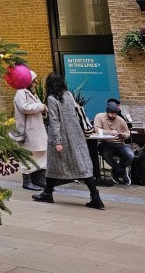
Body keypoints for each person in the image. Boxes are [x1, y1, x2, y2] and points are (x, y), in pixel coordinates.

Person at [32, 73, 105, 210]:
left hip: (61, 136)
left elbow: (54, 121)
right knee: (81, 164)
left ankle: (48, 193)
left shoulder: (51, 98)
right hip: (76, 135)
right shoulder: (69, 95)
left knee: (54, 164)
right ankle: (95, 197)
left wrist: (57, 141)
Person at [13, 71, 48, 191]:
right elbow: (24, 107)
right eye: (34, 81)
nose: (36, 83)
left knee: (41, 153)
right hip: (28, 130)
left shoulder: (32, 93)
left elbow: (36, 108)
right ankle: (27, 181)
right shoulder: (21, 92)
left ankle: (39, 179)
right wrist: (41, 107)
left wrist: (43, 111)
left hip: (38, 129)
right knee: (29, 154)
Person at [93, 98, 135, 185]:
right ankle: (122, 173)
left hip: (119, 143)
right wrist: (110, 132)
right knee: (104, 153)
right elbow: (97, 130)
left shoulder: (120, 119)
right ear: (107, 112)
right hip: (105, 143)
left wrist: (124, 135)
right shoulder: (99, 117)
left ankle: (116, 172)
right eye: (112, 113)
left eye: (115, 113)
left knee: (131, 155)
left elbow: (127, 133)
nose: (114, 115)